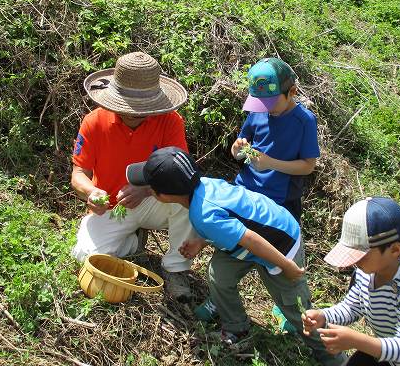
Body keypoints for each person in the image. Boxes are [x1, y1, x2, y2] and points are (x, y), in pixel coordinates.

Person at [126, 146, 345, 366]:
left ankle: (335, 357)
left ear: (162, 196)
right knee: (219, 274)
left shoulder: (203, 214)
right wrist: (201, 242)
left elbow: (250, 239)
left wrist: (286, 265)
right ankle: (236, 326)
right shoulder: (204, 186)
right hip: (255, 240)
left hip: (280, 246)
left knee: (299, 312)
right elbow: (230, 224)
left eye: (150, 187)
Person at [195, 57, 320, 334]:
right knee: (229, 252)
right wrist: (238, 149)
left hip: (279, 204)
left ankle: (290, 308)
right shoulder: (258, 111)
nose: (265, 108)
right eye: (260, 102)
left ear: (291, 92)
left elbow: (308, 165)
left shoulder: (303, 121)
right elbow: (239, 148)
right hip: (244, 197)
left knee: (282, 266)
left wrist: (271, 163)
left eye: (271, 102)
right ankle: (220, 300)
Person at [70, 52, 197, 301]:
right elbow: (78, 173)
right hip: (112, 206)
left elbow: (180, 174)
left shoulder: (170, 121)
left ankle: (175, 268)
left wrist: (147, 190)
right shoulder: (94, 122)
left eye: (142, 109)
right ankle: (132, 243)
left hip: (154, 199)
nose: (135, 114)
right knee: (84, 255)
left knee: (190, 197)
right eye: (128, 108)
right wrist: (91, 192)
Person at [302, 197, 400, 366]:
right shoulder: (364, 274)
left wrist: (355, 340)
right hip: (389, 357)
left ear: (395, 250)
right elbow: (351, 308)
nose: (355, 262)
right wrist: (323, 316)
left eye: (361, 255)